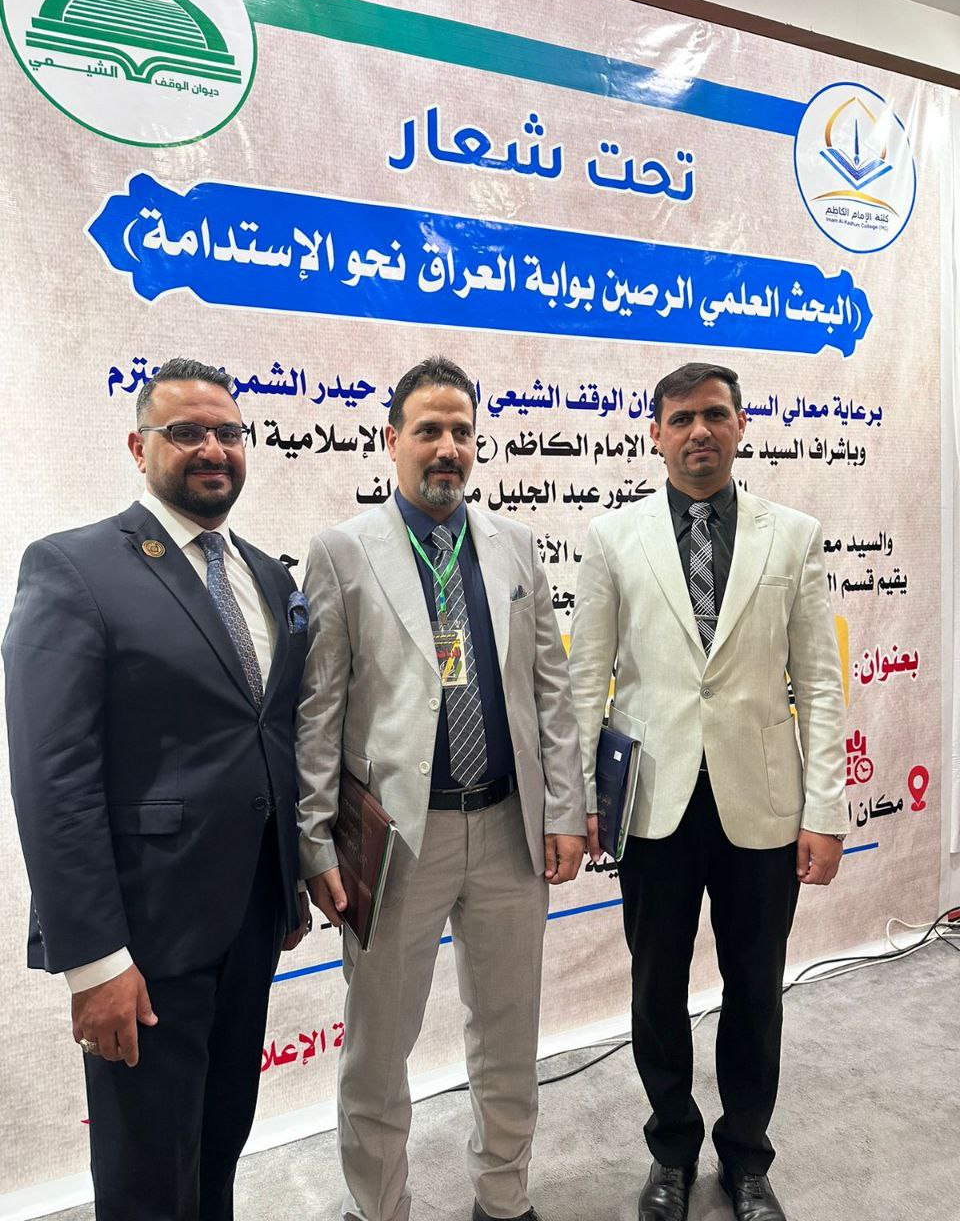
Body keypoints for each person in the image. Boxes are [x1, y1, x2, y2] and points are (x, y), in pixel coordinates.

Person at [3, 358, 310, 1221]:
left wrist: (289, 880)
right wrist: (94, 961)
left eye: (228, 432)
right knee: (146, 1181)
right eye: (186, 432)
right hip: (143, 939)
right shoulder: (72, 569)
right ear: (140, 448)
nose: (213, 448)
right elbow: (52, 777)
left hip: (251, 919)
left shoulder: (269, 577)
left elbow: (273, 736)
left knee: (218, 1150)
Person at [296, 354, 590, 1221]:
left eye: (462, 431)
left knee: (508, 1035)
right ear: (391, 439)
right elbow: (319, 712)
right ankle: (377, 1207)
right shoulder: (344, 552)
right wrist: (316, 843)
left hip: (506, 832)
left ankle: (504, 1196)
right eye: (429, 430)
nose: (448, 448)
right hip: (397, 842)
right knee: (377, 1049)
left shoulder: (515, 545)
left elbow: (550, 692)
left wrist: (565, 809)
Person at [568, 362, 847, 1221]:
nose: (700, 431)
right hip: (652, 803)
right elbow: (586, 680)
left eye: (716, 415)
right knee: (655, 991)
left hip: (761, 803)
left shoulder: (792, 536)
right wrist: (583, 801)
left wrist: (826, 810)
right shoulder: (612, 538)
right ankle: (671, 1152)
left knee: (756, 991)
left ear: (741, 425)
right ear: (654, 432)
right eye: (682, 417)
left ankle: (747, 1159)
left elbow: (820, 682)